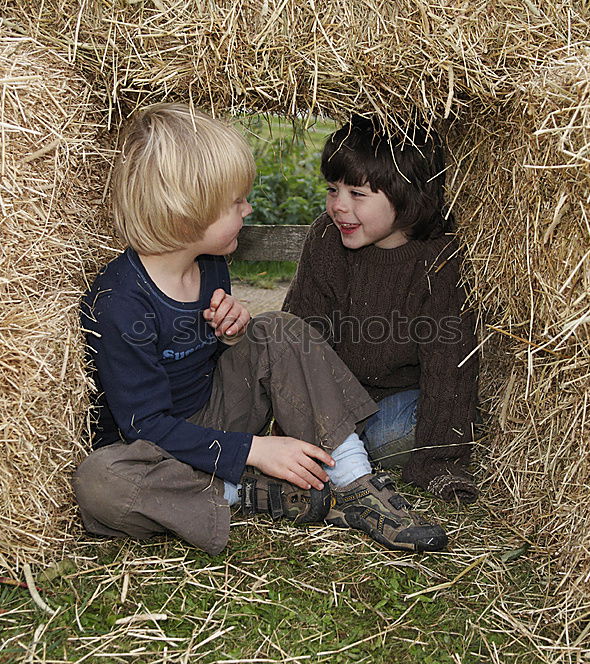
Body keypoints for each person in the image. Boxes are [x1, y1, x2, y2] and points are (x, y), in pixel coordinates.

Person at [73, 104, 448, 554]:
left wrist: (229, 336)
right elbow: (145, 425)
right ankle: (245, 492)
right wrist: (251, 450)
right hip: (156, 449)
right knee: (100, 484)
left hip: (216, 413)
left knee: (279, 328)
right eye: (236, 203)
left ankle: (355, 483)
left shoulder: (210, 264)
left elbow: (212, 362)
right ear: (187, 212)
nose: (249, 208)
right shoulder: (118, 304)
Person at [283, 116, 480, 504]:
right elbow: (303, 333)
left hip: (395, 403)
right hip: (333, 399)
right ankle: (333, 448)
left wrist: (439, 462)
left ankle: (351, 452)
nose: (338, 206)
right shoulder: (326, 238)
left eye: (357, 194)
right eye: (332, 189)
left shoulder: (437, 261)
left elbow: (449, 364)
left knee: (393, 432)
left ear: (407, 197)